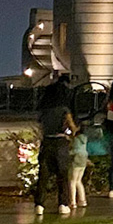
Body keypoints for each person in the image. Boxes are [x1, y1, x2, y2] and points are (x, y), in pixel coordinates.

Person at [33, 79, 75, 215]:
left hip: (47, 142)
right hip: (60, 142)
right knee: (62, 175)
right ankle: (63, 203)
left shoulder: (44, 110)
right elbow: (72, 127)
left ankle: (39, 204)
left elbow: (41, 127)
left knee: (43, 175)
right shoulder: (64, 109)